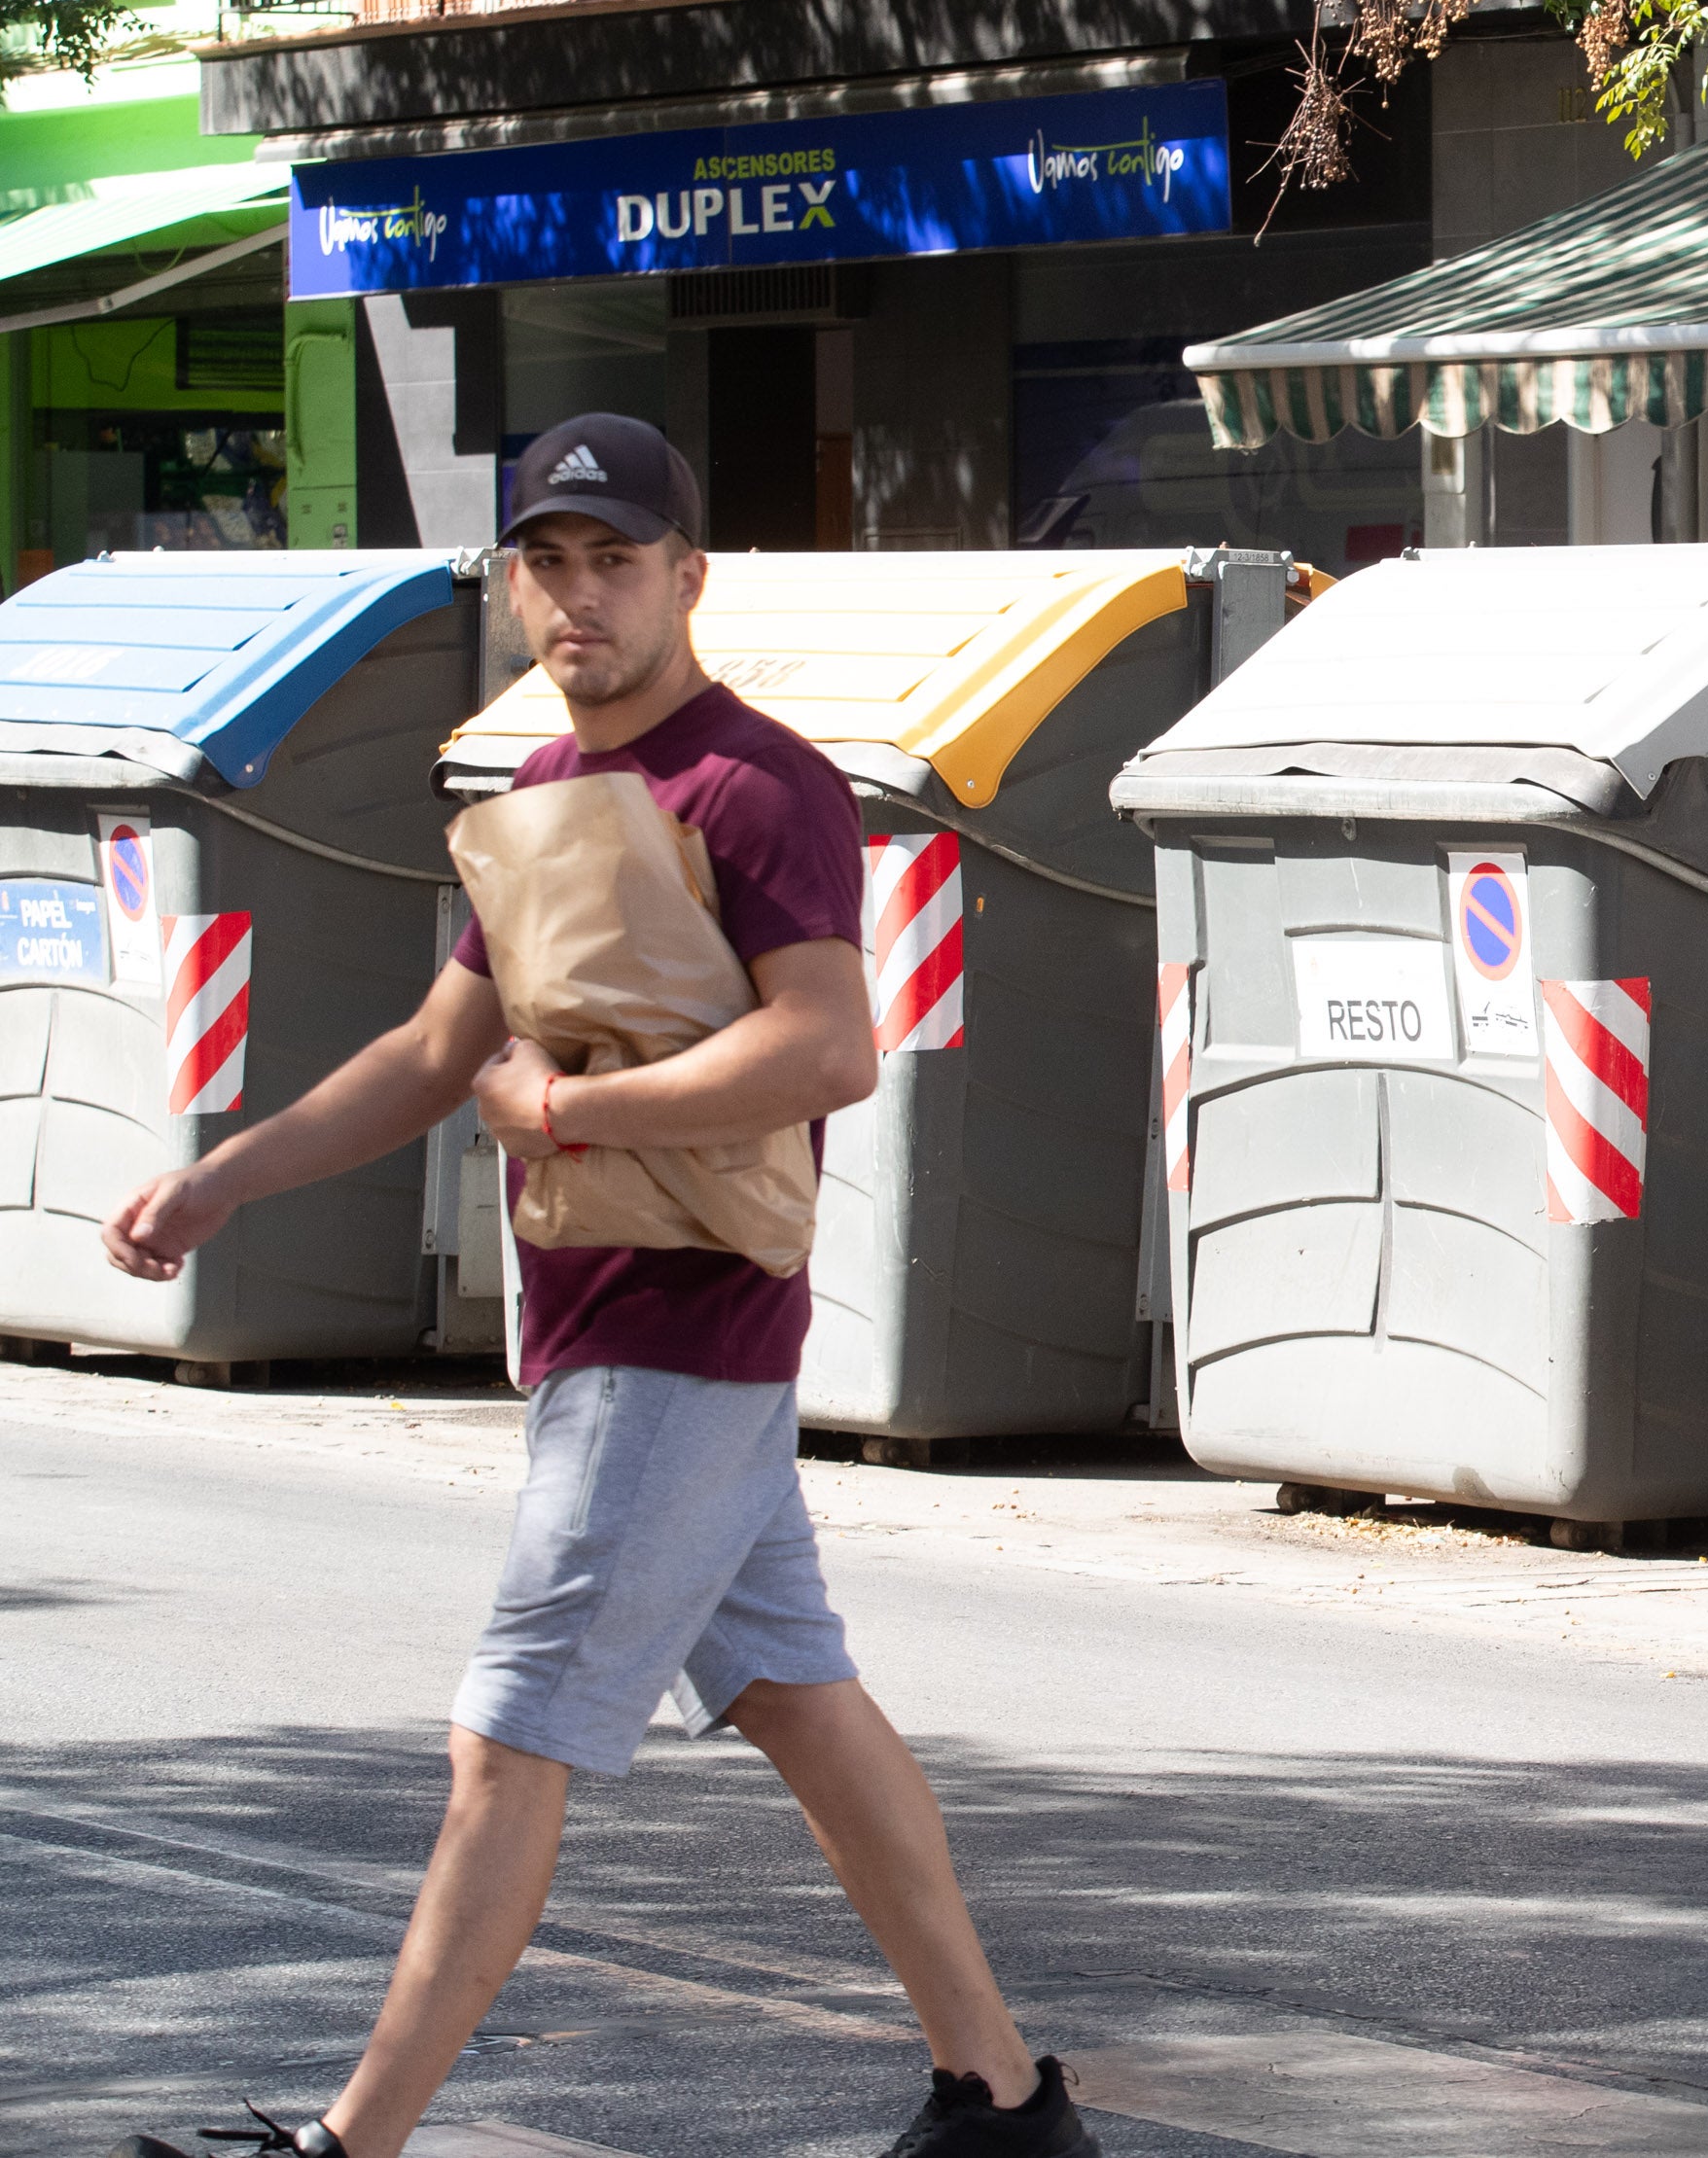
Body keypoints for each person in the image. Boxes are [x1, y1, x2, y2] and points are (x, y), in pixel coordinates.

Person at [98, 415, 1096, 2158]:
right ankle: (1002, 2103)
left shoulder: (755, 784)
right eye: (547, 564)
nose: (579, 596)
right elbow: (439, 1051)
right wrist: (220, 1179)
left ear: (687, 578)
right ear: (513, 589)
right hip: (603, 1333)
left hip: (674, 1335)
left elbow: (829, 1047)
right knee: (799, 1705)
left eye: (615, 562)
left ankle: (353, 2145)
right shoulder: (549, 795)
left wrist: (568, 1112)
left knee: (507, 1744)